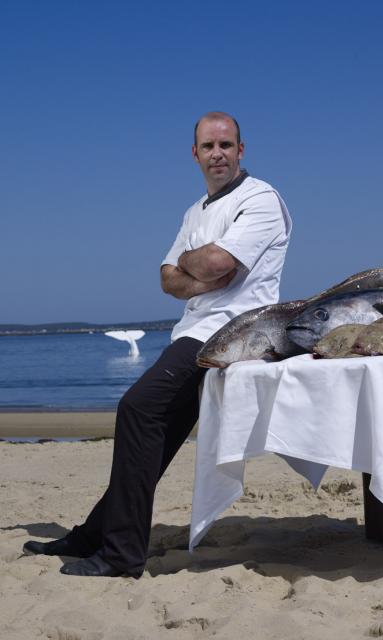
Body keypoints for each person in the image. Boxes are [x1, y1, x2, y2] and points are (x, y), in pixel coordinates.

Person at [23, 112, 292, 577]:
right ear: (194, 154)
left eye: (226, 145)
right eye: (208, 147)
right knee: (156, 434)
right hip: (192, 331)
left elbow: (219, 261)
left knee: (137, 410)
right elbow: (170, 279)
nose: (217, 154)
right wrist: (198, 266)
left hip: (230, 334)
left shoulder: (260, 199)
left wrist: (199, 265)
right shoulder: (195, 212)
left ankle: (121, 554)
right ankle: (94, 534)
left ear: (241, 150)